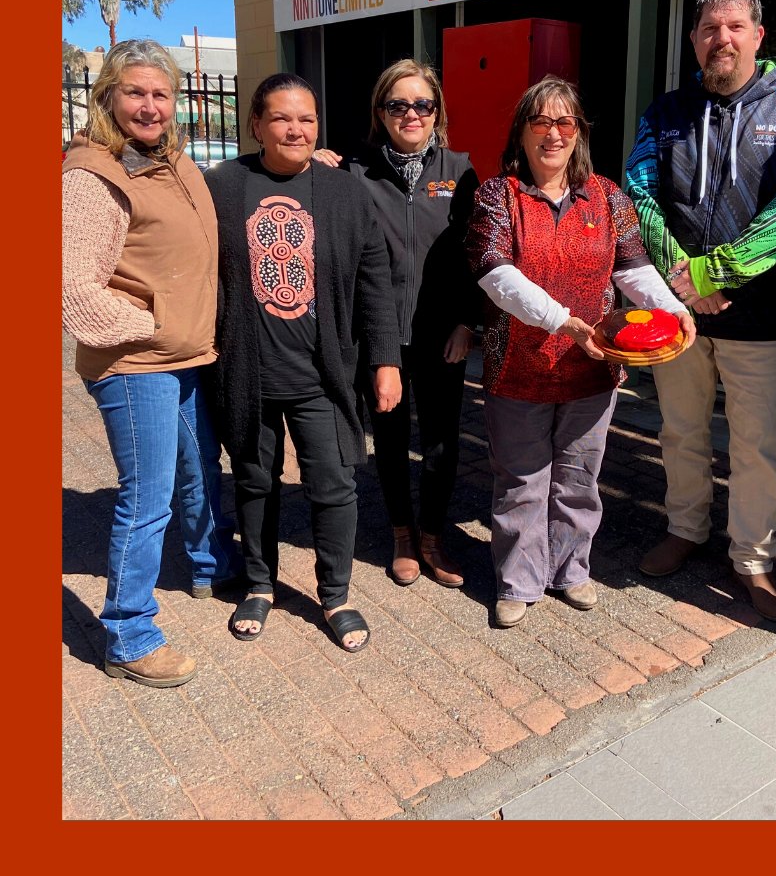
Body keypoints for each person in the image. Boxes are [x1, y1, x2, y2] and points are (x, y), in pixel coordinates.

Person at [625, 0, 776, 621]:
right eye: (710, 28)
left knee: (755, 446)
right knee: (681, 431)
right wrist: (684, 276)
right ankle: (685, 529)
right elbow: (638, 191)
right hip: (678, 312)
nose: (723, 38)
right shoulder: (666, 112)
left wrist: (717, 272)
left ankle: (754, 561)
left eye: (735, 26)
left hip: (760, 316)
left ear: (758, 36)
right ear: (694, 39)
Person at [466, 76, 695, 628]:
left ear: (580, 133)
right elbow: (495, 275)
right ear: (521, 131)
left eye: (565, 122)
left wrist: (673, 311)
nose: (553, 133)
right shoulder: (497, 196)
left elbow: (633, 268)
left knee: (578, 478)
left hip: (593, 370)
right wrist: (564, 322)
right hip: (517, 368)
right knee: (522, 480)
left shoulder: (607, 196)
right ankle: (518, 581)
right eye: (540, 121)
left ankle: (570, 569)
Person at [62, 38, 240, 688]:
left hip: (186, 353)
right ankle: (128, 634)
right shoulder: (94, 174)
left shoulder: (169, 161)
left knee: (200, 470)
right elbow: (71, 285)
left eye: (160, 93)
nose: (150, 105)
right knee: (147, 499)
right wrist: (153, 326)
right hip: (136, 364)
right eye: (135, 92)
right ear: (109, 95)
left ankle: (208, 564)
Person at [204, 73, 402, 651]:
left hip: (324, 375)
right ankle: (261, 585)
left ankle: (335, 593)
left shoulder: (343, 191)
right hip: (248, 372)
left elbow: (374, 280)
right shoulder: (223, 186)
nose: (296, 128)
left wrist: (385, 360)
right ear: (257, 125)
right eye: (283, 118)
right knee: (255, 480)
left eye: (307, 119)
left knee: (334, 485)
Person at [312, 60, 481, 588]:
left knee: (440, 441)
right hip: (377, 333)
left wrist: (466, 323)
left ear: (437, 112)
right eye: (397, 105)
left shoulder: (461, 170)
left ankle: (433, 535)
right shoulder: (351, 171)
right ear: (380, 113)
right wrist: (308, 164)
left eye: (422, 104)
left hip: (441, 333)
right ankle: (402, 532)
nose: (411, 114)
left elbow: (477, 257)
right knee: (387, 435)